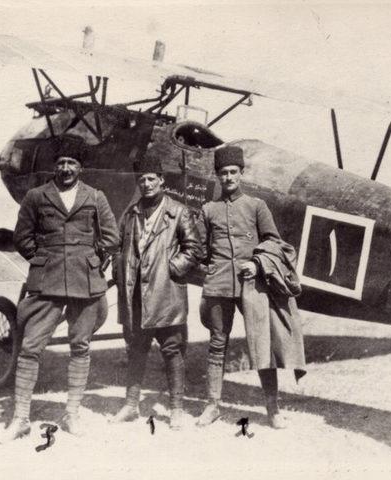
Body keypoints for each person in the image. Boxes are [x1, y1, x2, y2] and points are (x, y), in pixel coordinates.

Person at [0, 152, 119, 442]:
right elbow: (22, 238)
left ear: (81, 167)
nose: (66, 168)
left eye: (72, 163)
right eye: (61, 162)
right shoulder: (36, 196)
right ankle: (20, 419)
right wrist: (42, 259)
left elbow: (111, 237)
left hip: (84, 281)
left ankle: (71, 414)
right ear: (54, 166)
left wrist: (90, 260)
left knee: (80, 346)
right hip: (46, 280)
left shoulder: (95, 196)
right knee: (30, 347)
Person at [196, 145, 300, 429]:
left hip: (251, 286)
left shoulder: (257, 206)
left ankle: (273, 408)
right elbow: (201, 250)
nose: (228, 177)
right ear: (217, 176)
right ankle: (212, 406)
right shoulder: (208, 210)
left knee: (262, 345)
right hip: (218, 286)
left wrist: (256, 264)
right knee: (217, 345)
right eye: (223, 173)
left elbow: (274, 243)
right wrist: (204, 267)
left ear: (241, 174)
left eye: (233, 172)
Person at [110, 157, 200, 430]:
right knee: (136, 349)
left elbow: (194, 249)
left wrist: (172, 268)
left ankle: (176, 410)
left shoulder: (179, 212)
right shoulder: (131, 213)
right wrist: (118, 269)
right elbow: (118, 247)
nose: (146, 184)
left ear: (162, 180)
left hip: (166, 295)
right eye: (142, 180)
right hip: (135, 295)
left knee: (172, 350)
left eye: (151, 179)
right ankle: (130, 405)